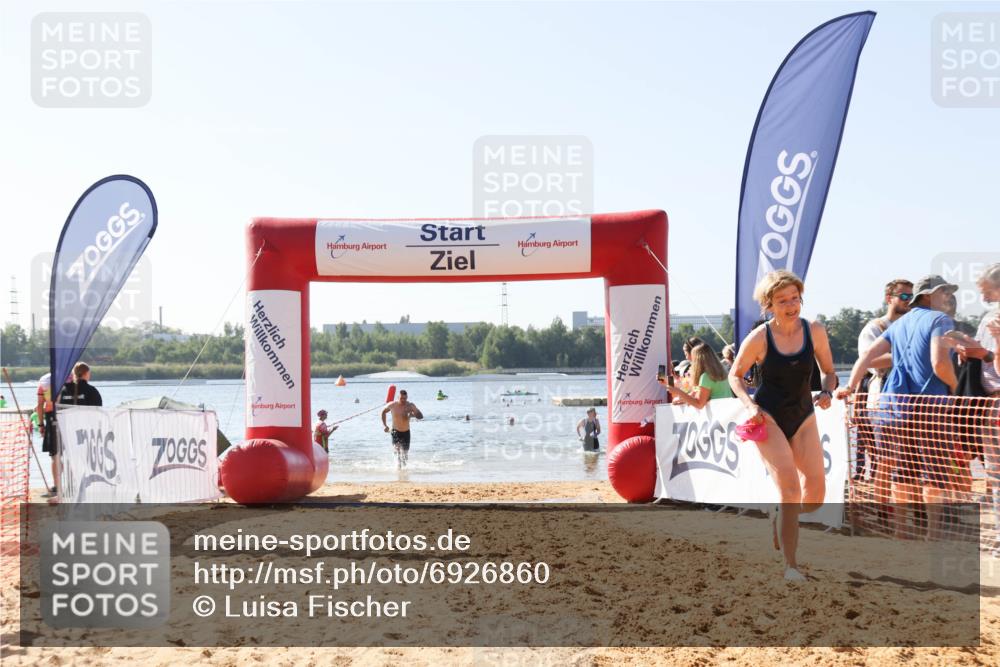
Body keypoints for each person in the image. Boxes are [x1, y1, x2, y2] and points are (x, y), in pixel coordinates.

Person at [728, 270, 837, 582]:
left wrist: (827, 392)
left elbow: (830, 372)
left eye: (795, 298)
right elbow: (735, 375)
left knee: (814, 498)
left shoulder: (814, 330)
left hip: (803, 416)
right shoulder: (760, 338)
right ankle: (791, 566)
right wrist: (750, 406)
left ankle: (780, 514)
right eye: (782, 301)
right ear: (769, 305)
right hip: (768, 416)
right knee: (789, 488)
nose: (791, 306)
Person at [839, 275, 959, 540]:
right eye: (945, 292)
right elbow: (939, 363)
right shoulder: (940, 320)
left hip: (895, 406)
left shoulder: (900, 323)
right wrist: (956, 386)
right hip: (930, 407)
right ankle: (932, 534)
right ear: (928, 295)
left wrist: (850, 386)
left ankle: (901, 531)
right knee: (934, 473)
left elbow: (866, 356)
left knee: (902, 470)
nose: (948, 297)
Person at [853, 279, 912, 490]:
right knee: (885, 461)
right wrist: (908, 355)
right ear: (889, 298)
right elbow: (868, 361)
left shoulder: (911, 325)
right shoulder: (875, 328)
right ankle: (883, 507)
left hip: (911, 401)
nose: (908, 300)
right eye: (903, 296)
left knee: (910, 464)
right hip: (883, 402)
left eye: (911, 296)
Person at [660, 342, 734, 408]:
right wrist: (681, 397)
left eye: (692, 359)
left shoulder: (706, 377)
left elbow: (699, 404)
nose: (691, 362)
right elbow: (695, 394)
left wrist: (678, 392)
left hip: (717, 414)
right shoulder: (720, 373)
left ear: (698, 360)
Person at [381, 389, 422, 468]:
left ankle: (404, 471)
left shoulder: (410, 405)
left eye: (405, 398)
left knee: (405, 454)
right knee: (397, 451)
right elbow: (383, 412)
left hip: (406, 432)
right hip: (395, 431)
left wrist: (413, 414)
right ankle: (398, 468)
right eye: (401, 398)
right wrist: (385, 425)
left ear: (407, 397)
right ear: (398, 397)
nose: (403, 400)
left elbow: (420, 416)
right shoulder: (392, 405)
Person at [36, 373, 57, 498]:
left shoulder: (43, 381)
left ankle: (56, 486)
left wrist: (40, 424)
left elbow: (39, 405)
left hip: (50, 418)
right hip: (67, 414)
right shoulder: (68, 377)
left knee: (55, 455)